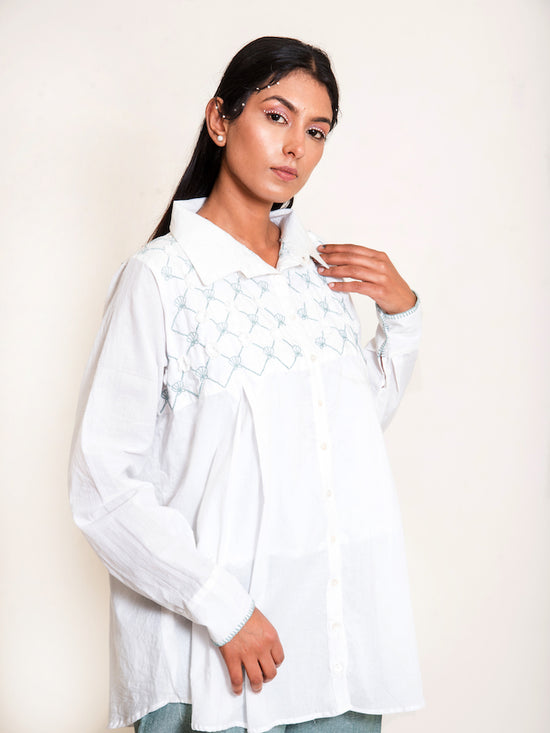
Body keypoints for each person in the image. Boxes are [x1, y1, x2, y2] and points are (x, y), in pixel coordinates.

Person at [69, 36, 424, 733]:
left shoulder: (318, 275)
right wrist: (224, 608)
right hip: (212, 661)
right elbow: (102, 483)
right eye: (276, 115)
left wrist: (402, 319)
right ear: (220, 119)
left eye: (316, 131)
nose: (295, 146)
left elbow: (342, 435)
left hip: (333, 650)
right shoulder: (160, 279)